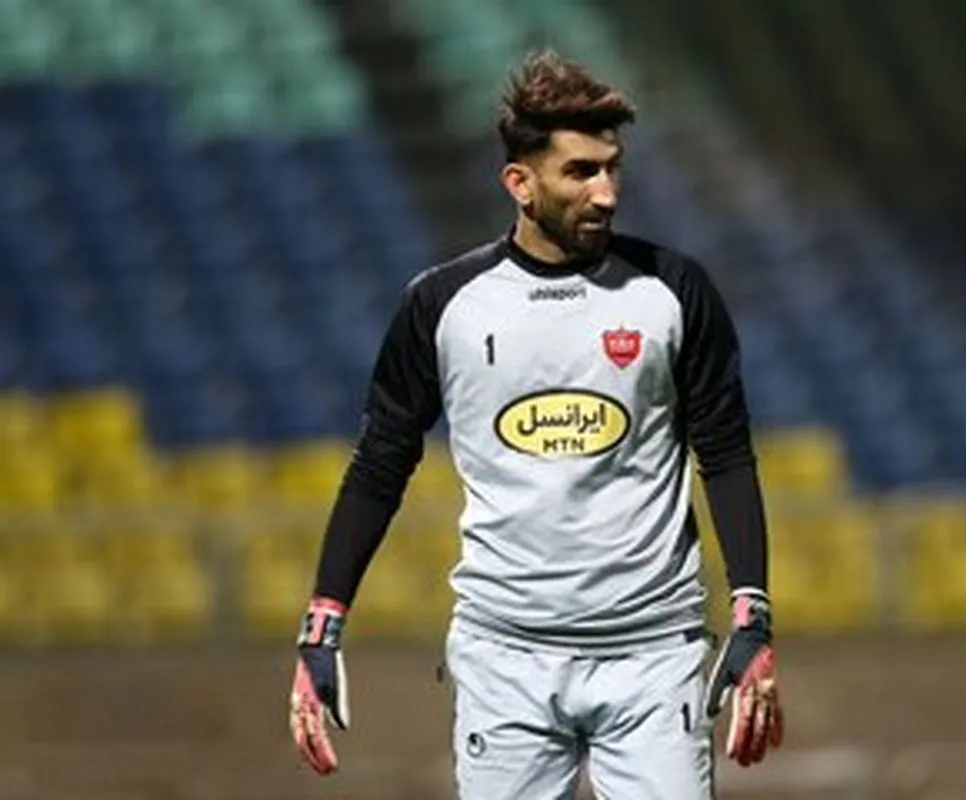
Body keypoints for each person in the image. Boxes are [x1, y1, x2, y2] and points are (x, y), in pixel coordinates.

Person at [287, 49, 784, 799]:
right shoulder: (441, 306)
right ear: (519, 184)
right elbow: (379, 465)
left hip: (655, 654)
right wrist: (322, 626)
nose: (606, 193)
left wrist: (753, 618)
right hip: (503, 658)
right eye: (580, 172)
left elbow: (726, 454)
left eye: (612, 169)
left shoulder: (675, 291)